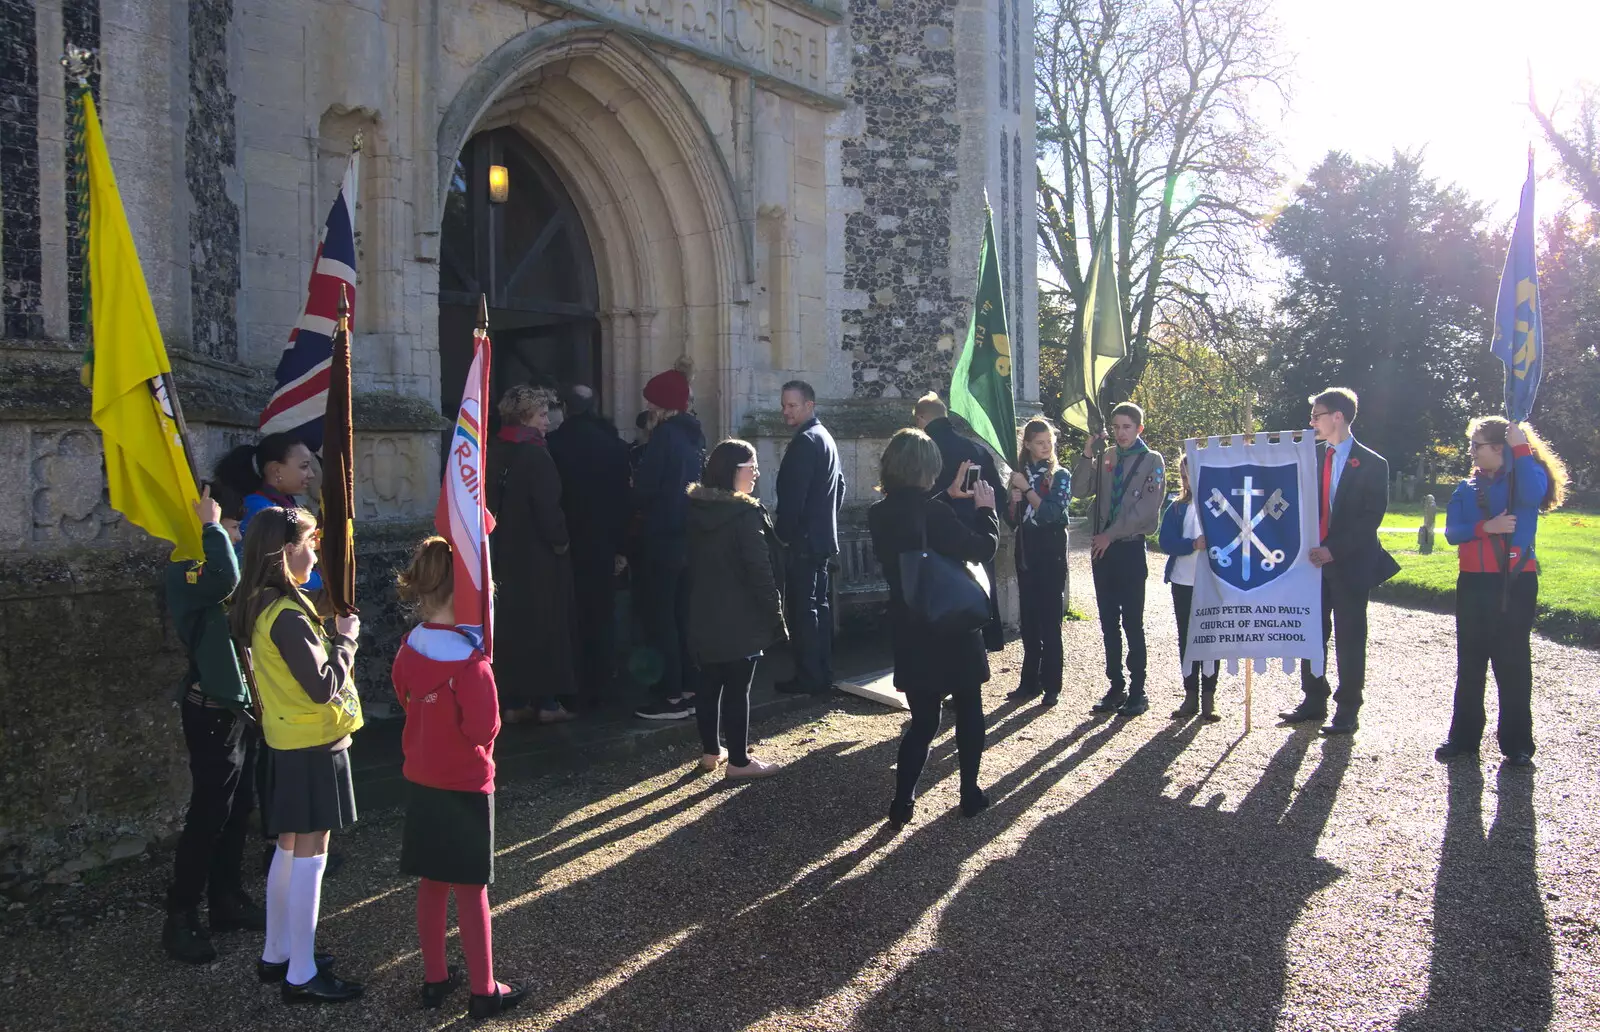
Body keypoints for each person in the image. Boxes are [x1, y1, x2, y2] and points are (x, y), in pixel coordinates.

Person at [392, 537, 528, 1018]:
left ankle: (434, 978)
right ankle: (483, 987)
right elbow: (484, 728)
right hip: (466, 783)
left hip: (424, 778)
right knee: (472, 890)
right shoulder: (472, 665)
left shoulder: (409, 648)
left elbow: (405, 694)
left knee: (432, 882)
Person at [231, 507, 363, 1004]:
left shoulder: (262, 602)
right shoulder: (285, 614)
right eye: (310, 542)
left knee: (289, 848)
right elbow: (322, 686)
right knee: (310, 853)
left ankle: (279, 952)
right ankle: (301, 973)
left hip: (289, 740)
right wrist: (346, 642)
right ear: (286, 551)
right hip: (311, 741)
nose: (315, 551)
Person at [868, 428, 999, 829]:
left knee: (924, 721)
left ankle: (902, 801)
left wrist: (947, 498)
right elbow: (981, 548)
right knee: (970, 710)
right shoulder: (934, 514)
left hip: (911, 625)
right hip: (952, 625)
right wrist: (985, 509)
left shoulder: (880, 513)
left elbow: (917, 525)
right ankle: (969, 794)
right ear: (928, 469)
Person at [162, 485, 263, 964]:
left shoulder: (224, 560)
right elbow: (223, 578)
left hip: (237, 708)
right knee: (208, 814)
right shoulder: (189, 566)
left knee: (239, 806)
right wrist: (208, 525)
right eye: (233, 525)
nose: (238, 534)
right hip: (208, 709)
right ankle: (180, 917)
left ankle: (226, 899)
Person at [1435, 418, 1567, 767]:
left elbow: (1531, 495)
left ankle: (1517, 743)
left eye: (1477, 445)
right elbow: (1452, 531)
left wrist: (1521, 446)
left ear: (1499, 448)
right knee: (1471, 662)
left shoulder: (1524, 475)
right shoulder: (1466, 486)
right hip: (1474, 581)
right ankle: (1463, 738)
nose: (1471, 451)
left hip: (1515, 581)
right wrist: (1485, 527)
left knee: (1512, 662)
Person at [1279, 388, 1399, 737]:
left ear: (1337, 417)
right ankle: (1313, 698)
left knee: (1349, 637)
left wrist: (1334, 549)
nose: (1311, 422)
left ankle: (1348, 708)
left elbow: (1370, 518)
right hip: (1311, 564)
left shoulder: (1374, 463)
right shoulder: (1309, 457)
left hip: (1349, 564)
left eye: (1316, 415)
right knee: (1311, 633)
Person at [686, 440, 789, 778]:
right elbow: (760, 570)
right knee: (737, 689)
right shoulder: (745, 514)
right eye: (751, 466)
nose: (757, 473)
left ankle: (710, 751)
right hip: (741, 614)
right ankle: (740, 763)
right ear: (733, 471)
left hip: (703, 611)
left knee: (709, 683)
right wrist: (775, 617)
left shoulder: (695, 508)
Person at [486, 386, 578, 724]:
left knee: (511, 627)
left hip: (502, 554)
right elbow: (549, 509)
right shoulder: (536, 454)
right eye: (541, 415)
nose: (546, 422)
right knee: (545, 626)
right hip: (538, 557)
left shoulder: (494, 451)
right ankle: (548, 704)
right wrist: (561, 544)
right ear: (525, 416)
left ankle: (513, 702)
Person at [1071, 402, 1166, 716]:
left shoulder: (1152, 461)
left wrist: (1110, 535)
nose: (1121, 433)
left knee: (1132, 623)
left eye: (1127, 426)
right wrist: (1087, 454)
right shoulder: (1106, 457)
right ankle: (1116, 685)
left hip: (1127, 548)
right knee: (1108, 622)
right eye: (1116, 427)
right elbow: (1079, 489)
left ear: (1139, 428)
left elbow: (1146, 512)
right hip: (1103, 551)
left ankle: (1138, 690)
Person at [548, 385, 632, 706]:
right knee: (601, 612)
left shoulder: (553, 445)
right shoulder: (613, 445)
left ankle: (573, 682)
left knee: (569, 612)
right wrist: (621, 546)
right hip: (602, 541)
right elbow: (622, 499)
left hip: (565, 541)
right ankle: (601, 679)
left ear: (566, 409)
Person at [630, 365, 707, 720]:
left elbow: (645, 488)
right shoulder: (695, 436)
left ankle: (671, 695)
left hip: (663, 537)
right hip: (688, 539)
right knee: (683, 616)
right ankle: (691, 688)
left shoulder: (664, 438)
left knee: (662, 618)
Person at [913, 392, 1006, 650]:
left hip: (937, 531)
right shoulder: (975, 449)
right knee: (981, 587)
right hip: (976, 526)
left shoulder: (922, 449)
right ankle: (989, 637)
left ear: (921, 418)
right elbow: (995, 491)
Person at [773, 380, 845, 696]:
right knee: (818, 608)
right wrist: (824, 520)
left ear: (809, 405)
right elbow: (839, 487)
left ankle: (809, 677)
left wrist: (783, 536)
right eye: (784, 405)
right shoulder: (825, 437)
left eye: (792, 405)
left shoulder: (805, 442)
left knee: (804, 611)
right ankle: (821, 673)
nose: (786, 411)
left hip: (803, 541)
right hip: (820, 538)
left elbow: (793, 499)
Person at [1003, 418, 1072, 706]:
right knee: (1029, 620)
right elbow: (1011, 520)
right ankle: (1029, 682)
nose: (1046, 448)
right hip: (1026, 549)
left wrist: (1028, 491)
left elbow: (1051, 513)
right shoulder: (1020, 474)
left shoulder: (1060, 475)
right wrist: (1014, 498)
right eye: (1040, 443)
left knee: (1049, 619)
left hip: (1051, 548)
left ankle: (1052, 683)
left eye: (1049, 443)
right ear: (1028, 444)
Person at [214, 433, 322, 590]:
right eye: (304, 466)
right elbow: (277, 571)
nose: (311, 474)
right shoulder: (261, 509)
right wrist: (324, 578)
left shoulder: (284, 503)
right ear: (275, 469)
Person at [1158, 455, 1221, 722]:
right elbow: (1166, 542)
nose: (1187, 480)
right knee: (1186, 638)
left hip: (1212, 583)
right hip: (1183, 581)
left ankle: (1209, 697)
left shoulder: (1219, 505)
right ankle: (1190, 695)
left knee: (1211, 640)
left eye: (1192, 474)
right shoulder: (1176, 507)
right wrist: (1191, 544)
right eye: (1184, 475)